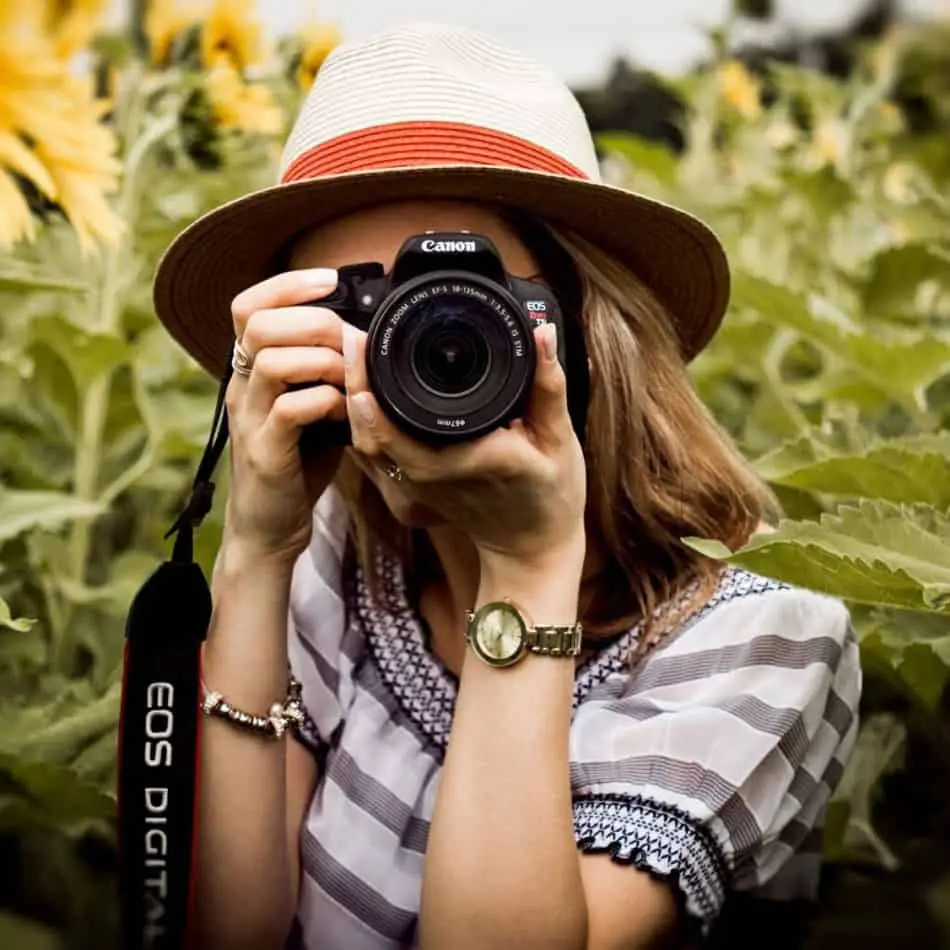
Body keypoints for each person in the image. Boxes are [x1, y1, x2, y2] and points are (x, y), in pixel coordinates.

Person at [152, 22, 861, 950]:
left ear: (586, 331)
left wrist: (528, 565)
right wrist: (255, 548)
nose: (417, 349)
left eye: (462, 302)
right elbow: (227, 933)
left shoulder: (767, 644)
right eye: (364, 307)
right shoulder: (341, 556)